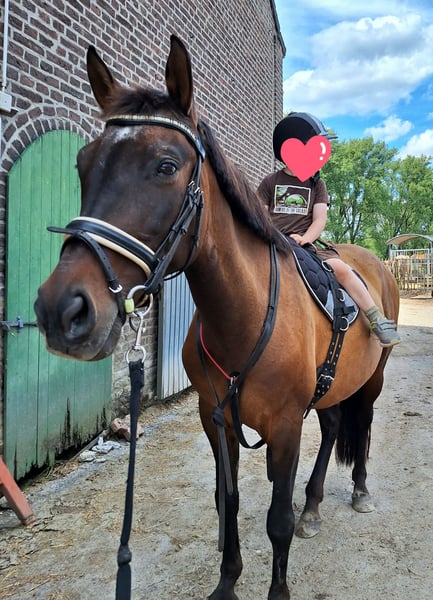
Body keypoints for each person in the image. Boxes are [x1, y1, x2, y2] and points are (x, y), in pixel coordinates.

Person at [258, 112, 400, 347]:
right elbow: (261, 216)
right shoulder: (269, 183)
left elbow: (319, 220)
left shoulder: (317, 185)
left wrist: (305, 239)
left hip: (305, 245)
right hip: (274, 243)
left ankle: (376, 318)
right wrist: (271, 237)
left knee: (340, 268)